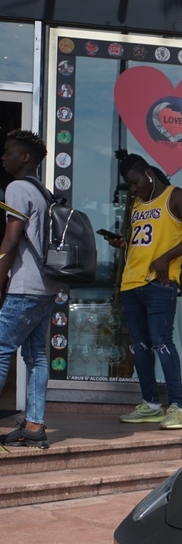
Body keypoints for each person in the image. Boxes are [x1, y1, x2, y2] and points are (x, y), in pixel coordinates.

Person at [107, 154, 182, 429]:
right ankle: (151, 404)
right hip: (131, 282)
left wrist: (166, 258)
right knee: (139, 347)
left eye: (135, 182)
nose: (133, 188)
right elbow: (145, 242)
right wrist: (124, 244)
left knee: (162, 342)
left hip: (159, 282)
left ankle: (177, 407)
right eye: (129, 185)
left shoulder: (176, 196)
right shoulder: (138, 203)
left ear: (148, 173)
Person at [0, 130, 55, 449]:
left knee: (2, 348)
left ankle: (34, 423)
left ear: (26, 157)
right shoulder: (44, 192)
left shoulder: (17, 188)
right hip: (46, 287)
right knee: (36, 356)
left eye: (8, 151)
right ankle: (34, 424)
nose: (3, 157)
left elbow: (11, 238)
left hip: (24, 287)